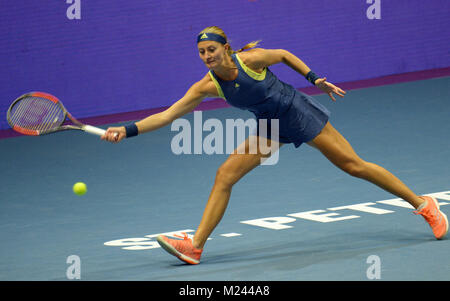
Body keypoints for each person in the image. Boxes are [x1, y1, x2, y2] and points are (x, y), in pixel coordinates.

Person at [101, 26, 448, 265]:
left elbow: (282, 54)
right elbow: (167, 116)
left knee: (353, 166)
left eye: (211, 49)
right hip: (269, 126)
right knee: (225, 175)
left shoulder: (249, 61)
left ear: (225, 47)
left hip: (298, 113)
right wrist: (127, 129)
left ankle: (424, 204)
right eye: (201, 52)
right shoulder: (205, 87)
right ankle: (195, 247)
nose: (207, 56)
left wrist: (315, 79)